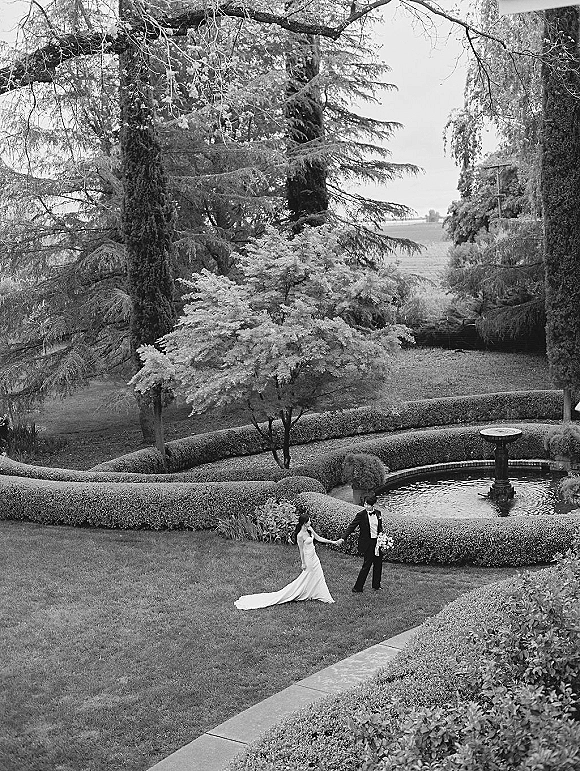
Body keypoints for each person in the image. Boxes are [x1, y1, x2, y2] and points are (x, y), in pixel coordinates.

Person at [234, 513, 339, 610]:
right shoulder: (300, 536)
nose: (310, 523)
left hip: (315, 558)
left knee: (318, 576)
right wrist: (303, 563)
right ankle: (299, 592)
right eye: (309, 521)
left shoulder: (310, 530)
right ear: (304, 523)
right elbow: (301, 550)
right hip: (308, 559)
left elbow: (319, 538)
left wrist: (333, 542)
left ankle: (321, 594)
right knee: (307, 577)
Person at [336, 494, 383, 593]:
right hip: (368, 543)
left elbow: (380, 528)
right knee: (367, 565)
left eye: (368, 505)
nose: (366, 506)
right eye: (365, 504)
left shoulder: (378, 513)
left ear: (373, 505)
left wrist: (382, 538)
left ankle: (376, 585)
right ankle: (357, 588)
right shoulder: (361, 515)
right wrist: (343, 538)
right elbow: (351, 527)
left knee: (378, 564)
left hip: (377, 542)